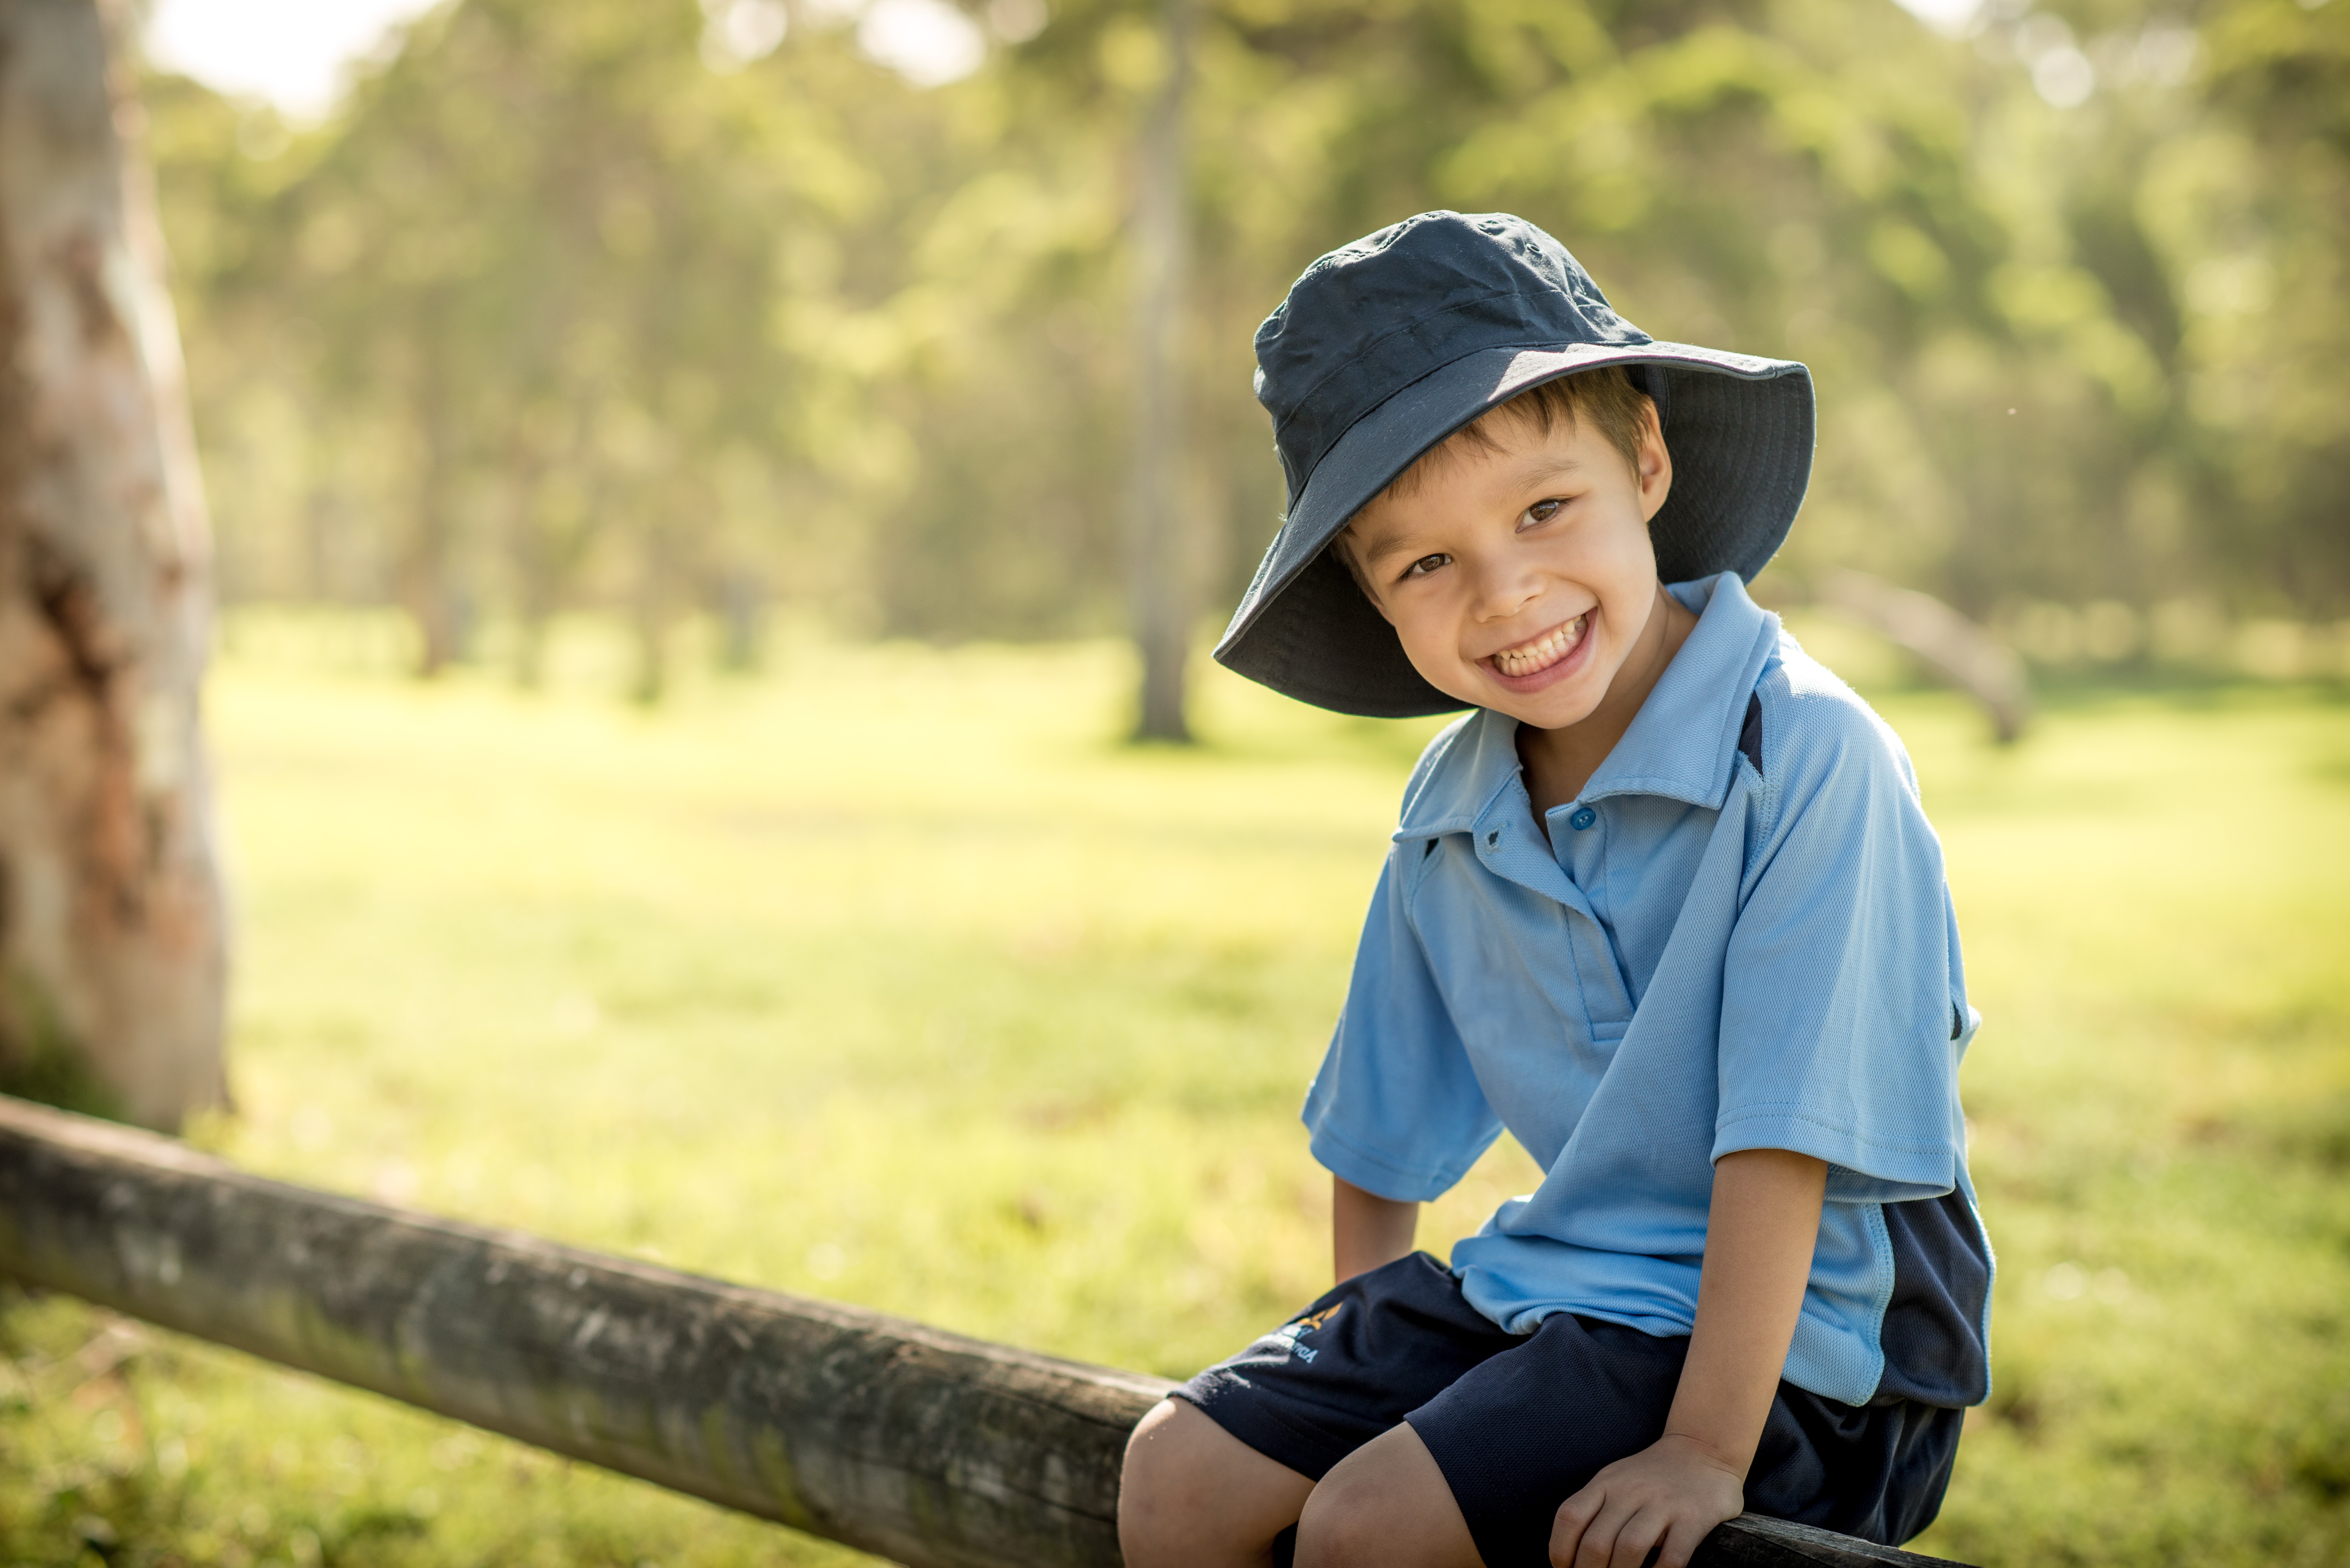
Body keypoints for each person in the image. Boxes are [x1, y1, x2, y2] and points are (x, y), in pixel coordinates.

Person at [1116, 212, 1992, 1568]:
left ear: (1645, 457)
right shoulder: (1451, 805)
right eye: (1426, 562)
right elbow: (1380, 1130)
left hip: (1819, 1340)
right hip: (1563, 1284)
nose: (1506, 593)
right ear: (1370, 594)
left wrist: (1702, 1450)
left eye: (1541, 510)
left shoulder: (1806, 754)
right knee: (1173, 1479)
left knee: (1370, 1529)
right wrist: (1374, 1393)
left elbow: (1785, 1142)